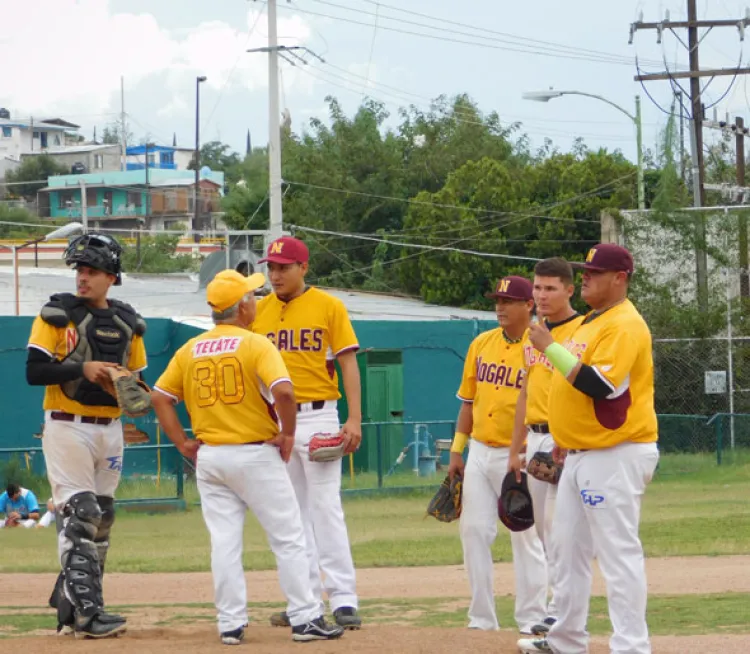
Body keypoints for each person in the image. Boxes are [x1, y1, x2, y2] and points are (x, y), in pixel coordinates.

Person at [151, 269, 345, 646]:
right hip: (255, 454)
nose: (256, 301)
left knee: (224, 542)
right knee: (289, 538)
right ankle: (305, 619)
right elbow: (285, 393)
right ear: (241, 307)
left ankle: (230, 624)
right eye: (251, 297)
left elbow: (160, 397)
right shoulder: (255, 343)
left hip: (211, 457)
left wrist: (181, 442)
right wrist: (288, 434)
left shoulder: (190, 348)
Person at [518, 244, 660, 654]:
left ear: (620, 279)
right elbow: (572, 390)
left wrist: (548, 346)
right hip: (581, 454)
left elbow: (601, 385)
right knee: (566, 552)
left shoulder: (625, 324)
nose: (585, 277)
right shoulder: (593, 323)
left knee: (617, 554)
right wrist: (565, 439)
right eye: (584, 270)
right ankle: (566, 640)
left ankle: (632, 646)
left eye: (595, 273)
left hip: (616, 454)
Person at [25, 232, 148, 639]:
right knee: (83, 513)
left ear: (111, 276)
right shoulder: (56, 314)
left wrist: (137, 391)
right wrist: (83, 369)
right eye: (79, 269)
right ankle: (88, 615)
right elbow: (34, 372)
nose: (83, 277)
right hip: (66, 424)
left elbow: (137, 377)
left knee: (104, 518)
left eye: (92, 270)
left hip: (109, 428)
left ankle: (72, 598)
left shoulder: (129, 322)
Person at [252, 236, 363, 630]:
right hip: (276, 422)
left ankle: (344, 598)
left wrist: (354, 419)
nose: (276, 273)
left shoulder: (329, 306)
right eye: (272, 267)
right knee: (289, 515)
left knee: (325, 508)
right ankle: (304, 601)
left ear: (304, 267)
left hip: (319, 416)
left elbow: (348, 363)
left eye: (284, 266)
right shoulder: (258, 311)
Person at [448, 275, 548, 634]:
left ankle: (533, 618)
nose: (500, 307)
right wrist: (457, 451)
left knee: (525, 535)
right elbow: (467, 403)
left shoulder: (540, 345)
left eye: (508, 301)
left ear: (528, 306)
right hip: (478, 450)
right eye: (497, 300)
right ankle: (481, 619)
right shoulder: (481, 343)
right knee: (473, 531)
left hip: (518, 454)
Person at [508, 258, 583, 636]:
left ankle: (559, 610)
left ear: (570, 290)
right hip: (535, 438)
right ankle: (557, 607)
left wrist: (569, 438)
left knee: (560, 529)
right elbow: (526, 390)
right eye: (537, 288)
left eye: (551, 288)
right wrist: (515, 446)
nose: (541, 295)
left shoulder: (583, 329)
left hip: (563, 438)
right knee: (541, 529)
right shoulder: (533, 333)